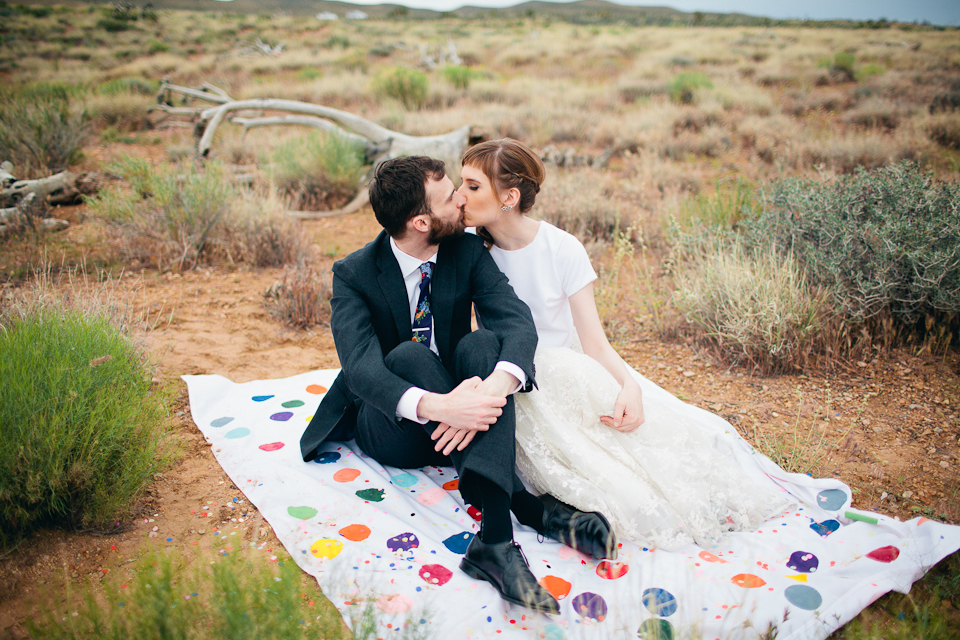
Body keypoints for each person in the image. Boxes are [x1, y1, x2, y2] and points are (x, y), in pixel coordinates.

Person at [299, 156, 616, 614]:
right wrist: (437, 407)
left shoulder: (464, 250)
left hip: (469, 415)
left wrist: (493, 389)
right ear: (421, 221)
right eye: (451, 196)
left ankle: (494, 543)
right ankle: (530, 509)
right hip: (396, 426)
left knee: (485, 344)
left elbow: (515, 320)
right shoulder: (354, 274)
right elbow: (361, 370)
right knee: (407, 354)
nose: (461, 199)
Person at [454, 139, 793, 550]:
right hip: (506, 375)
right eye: (461, 184)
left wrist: (628, 385)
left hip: (562, 371)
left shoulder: (562, 249)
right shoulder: (469, 246)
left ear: (509, 197)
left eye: (473, 186)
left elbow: (594, 343)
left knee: (633, 460)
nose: (459, 196)